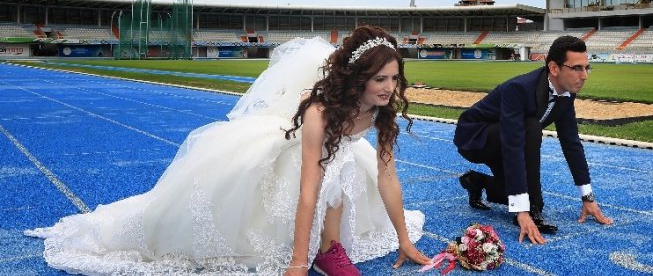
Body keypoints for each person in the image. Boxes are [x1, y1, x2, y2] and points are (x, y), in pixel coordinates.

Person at [25, 25, 430, 276]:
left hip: (334, 160)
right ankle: (318, 251)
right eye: (379, 78)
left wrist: (403, 239)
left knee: (344, 170)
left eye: (394, 78)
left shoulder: (383, 111)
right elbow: (309, 187)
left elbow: (387, 176)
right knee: (315, 185)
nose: (389, 87)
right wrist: (295, 262)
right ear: (356, 78)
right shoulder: (320, 113)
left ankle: (329, 248)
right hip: (296, 155)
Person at [453, 35, 613, 245]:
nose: (584, 76)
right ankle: (532, 206)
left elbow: (571, 143)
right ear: (554, 68)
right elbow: (513, 145)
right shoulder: (519, 89)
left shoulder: (566, 94)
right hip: (475, 137)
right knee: (531, 129)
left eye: (587, 68)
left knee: (512, 187)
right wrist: (524, 211)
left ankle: (476, 181)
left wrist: (588, 198)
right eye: (577, 68)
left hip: (507, 137)